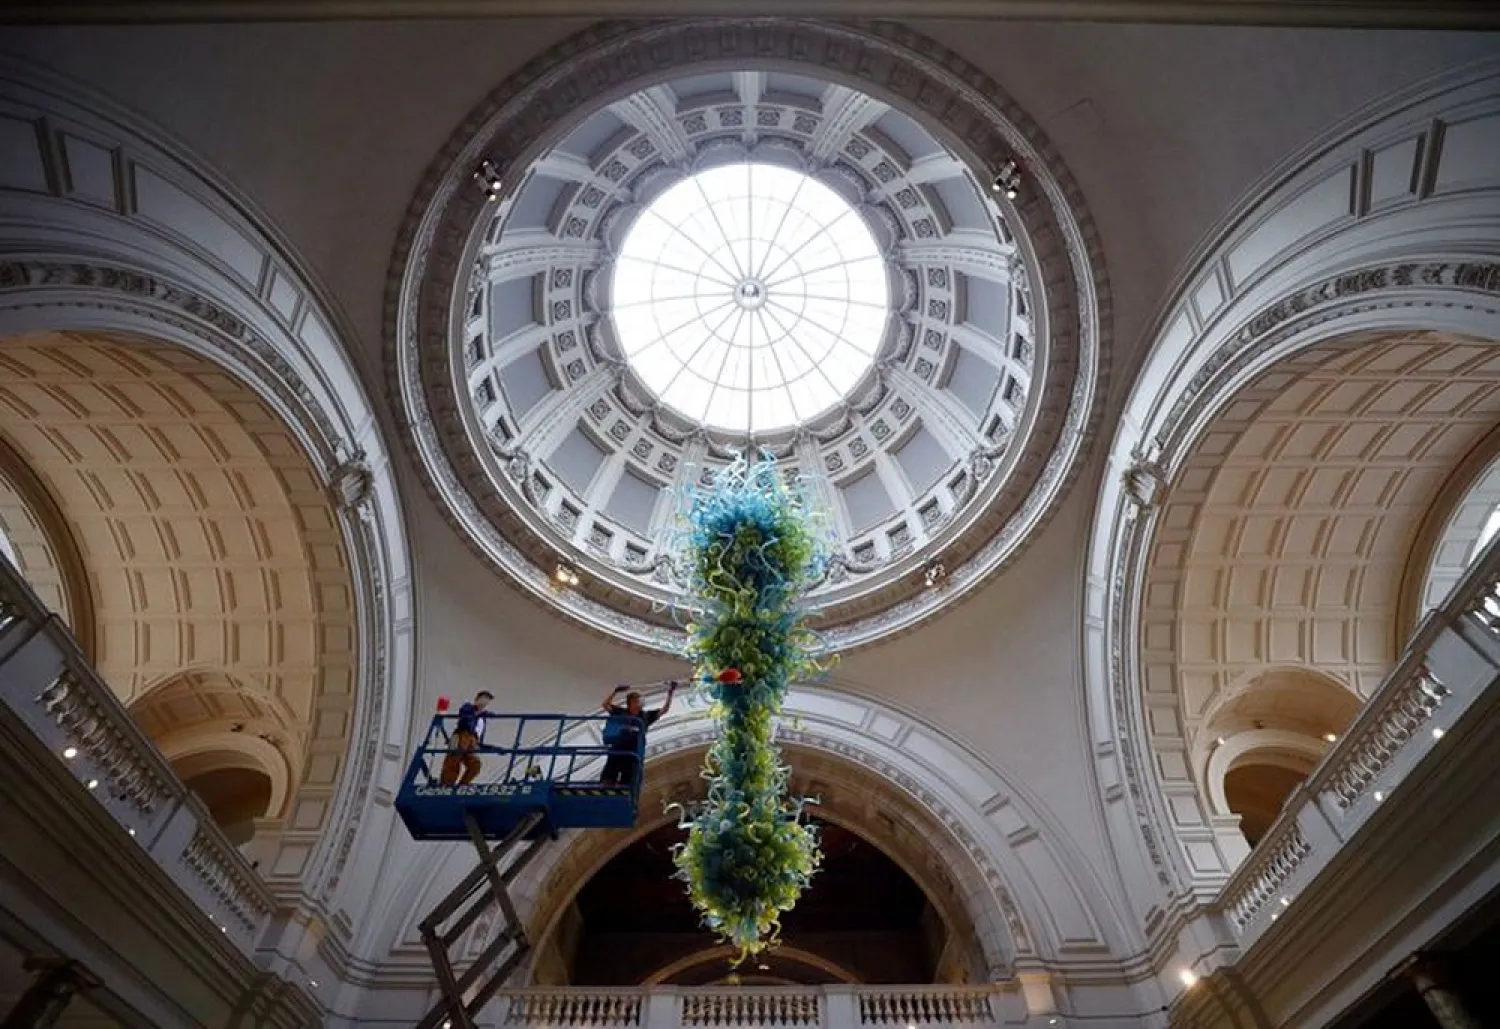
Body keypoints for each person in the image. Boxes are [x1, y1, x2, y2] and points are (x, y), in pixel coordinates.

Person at [599, 682, 676, 786]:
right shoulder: (621, 712)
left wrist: (670, 693)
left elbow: (664, 710)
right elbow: (605, 705)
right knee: (611, 771)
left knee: (628, 776)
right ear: (631, 702)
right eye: (638, 700)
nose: (641, 703)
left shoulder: (646, 716)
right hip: (619, 748)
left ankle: (624, 788)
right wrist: (615, 692)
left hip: (634, 751)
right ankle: (607, 784)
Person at [439, 690, 494, 786]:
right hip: (461, 736)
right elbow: (465, 718)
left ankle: (462, 785)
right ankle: (446, 785)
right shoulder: (469, 707)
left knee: (475, 764)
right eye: (483, 699)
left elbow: (478, 736)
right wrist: (478, 714)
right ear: (477, 699)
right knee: (454, 760)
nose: (485, 702)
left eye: (487, 700)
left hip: (472, 743)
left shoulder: (482, 719)